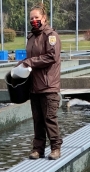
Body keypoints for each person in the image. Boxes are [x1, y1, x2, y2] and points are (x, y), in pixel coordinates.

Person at [19, 3, 62, 160]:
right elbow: (31, 58)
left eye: (36, 17)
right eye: (31, 18)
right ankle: (38, 149)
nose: (34, 20)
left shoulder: (50, 36)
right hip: (34, 86)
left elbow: (51, 57)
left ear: (44, 18)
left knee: (49, 118)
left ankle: (56, 148)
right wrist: (22, 63)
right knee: (37, 119)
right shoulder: (31, 37)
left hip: (48, 85)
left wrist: (30, 62)